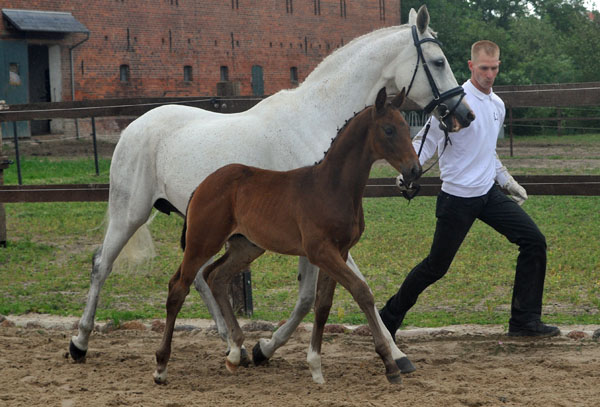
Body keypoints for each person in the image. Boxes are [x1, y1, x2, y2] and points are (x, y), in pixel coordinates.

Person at [379, 40, 560, 340]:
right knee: (435, 268)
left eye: (494, 68)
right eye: (484, 68)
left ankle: (525, 322)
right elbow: (426, 143)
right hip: (457, 199)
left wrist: (507, 182)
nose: (490, 74)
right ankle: (387, 318)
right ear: (471, 66)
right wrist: (405, 173)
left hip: (488, 195)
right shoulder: (453, 103)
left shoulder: (498, 105)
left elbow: (487, 151)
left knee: (533, 241)